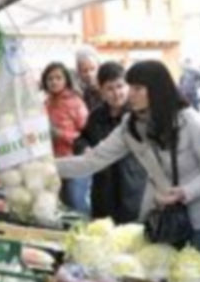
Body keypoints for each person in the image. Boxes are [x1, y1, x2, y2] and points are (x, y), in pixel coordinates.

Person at [56, 60, 200, 276]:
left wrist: (185, 192)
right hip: (163, 220)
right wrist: (43, 167)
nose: (129, 94)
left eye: (137, 88)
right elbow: (92, 161)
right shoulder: (130, 125)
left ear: (157, 89)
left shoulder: (191, 123)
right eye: (129, 86)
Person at [73, 61, 147, 223]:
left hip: (133, 188)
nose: (116, 93)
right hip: (103, 190)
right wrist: (84, 147)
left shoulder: (139, 115)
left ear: (128, 87)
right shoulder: (96, 116)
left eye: (120, 86)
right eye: (110, 88)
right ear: (101, 91)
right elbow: (82, 138)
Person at [41, 62, 91, 215]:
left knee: (75, 203)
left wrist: (60, 134)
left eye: (58, 78)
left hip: (75, 162)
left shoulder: (76, 103)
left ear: (66, 80)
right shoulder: (45, 104)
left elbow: (88, 135)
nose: (54, 82)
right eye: (50, 79)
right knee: (57, 205)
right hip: (52, 163)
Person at [76, 46, 103, 111]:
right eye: (85, 71)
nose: (89, 74)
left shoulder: (105, 88)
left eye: (92, 69)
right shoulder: (79, 92)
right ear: (79, 72)